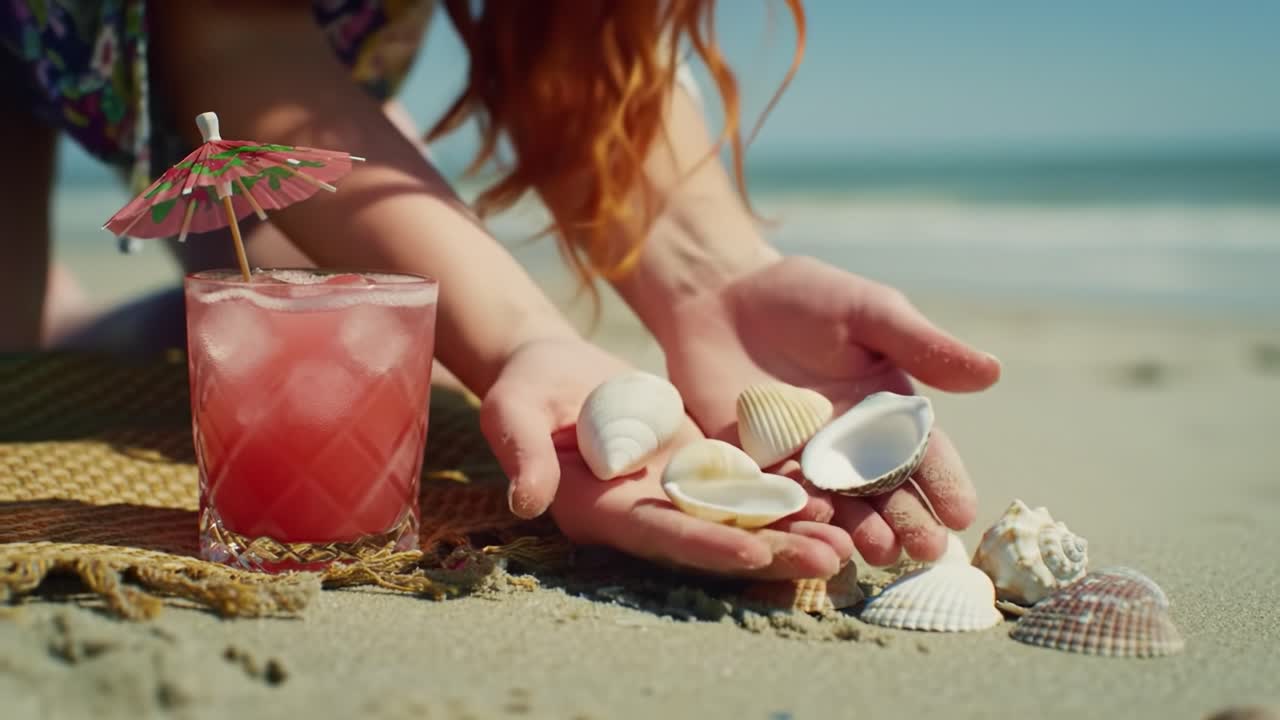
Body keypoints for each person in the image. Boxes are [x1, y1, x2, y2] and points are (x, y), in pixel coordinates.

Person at [0, 0, 1001, 581]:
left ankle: (101, 321)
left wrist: (718, 274)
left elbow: (576, 33)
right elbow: (235, 29)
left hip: (310, 55)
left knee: (311, 316)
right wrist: (519, 331)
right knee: (14, 361)